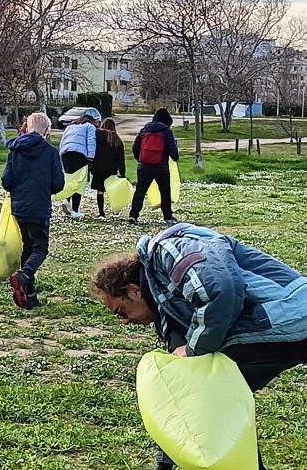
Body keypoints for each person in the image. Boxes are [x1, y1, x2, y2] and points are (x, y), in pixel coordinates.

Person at [92, 222, 307, 470]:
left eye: (121, 312)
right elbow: (180, 393)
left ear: (134, 291)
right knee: (217, 398)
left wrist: (194, 349)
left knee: (217, 394)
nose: (126, 322)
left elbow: (221, 291)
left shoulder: (169, 249)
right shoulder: (166, 310)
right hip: (270, 332)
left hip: (291, 314)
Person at [1, 112, 64, 309]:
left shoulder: (15, 150)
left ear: (27, 128)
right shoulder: (51, 152)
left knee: (27, 247)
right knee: (40, 248)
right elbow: (58, 183)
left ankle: (29, 294)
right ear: (46, 130)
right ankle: (24, 275)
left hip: (19, 207)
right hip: (39, 206)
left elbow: (6, 181)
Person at [129, 108, 179, 226]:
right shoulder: (166, 131)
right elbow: (172, 149)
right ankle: (167, 216)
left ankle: (133, 215)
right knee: (165, 191)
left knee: (140, 191)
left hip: (144, 166)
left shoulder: (144, 130)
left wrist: (139, 159)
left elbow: (135, 146)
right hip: (161, 167)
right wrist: (175, 157)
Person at [58, 108, 100, 219]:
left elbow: (62, 142)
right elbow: (91, 142)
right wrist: (91, 158)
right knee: (79, 183)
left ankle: (66, 200)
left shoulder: (69, 127)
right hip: (80, 155)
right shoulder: (89, 127)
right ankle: (75, 210)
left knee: (69, 180)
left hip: (66, 154)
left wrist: (60, 156)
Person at [91, 117, 126, 220]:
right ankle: (115, 211)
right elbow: (121, 159)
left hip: (98, 168)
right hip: (111, 169)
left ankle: (101, 213)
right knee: (112, 191)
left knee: (100, 191)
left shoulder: (96, 137)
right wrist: (122, 173)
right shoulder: (117, 140)